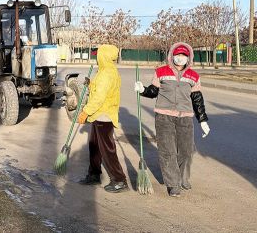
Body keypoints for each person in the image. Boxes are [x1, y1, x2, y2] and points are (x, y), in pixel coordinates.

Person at [135, 42, 209, 197]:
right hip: (164, 117)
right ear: (172, 56)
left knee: (187, 151)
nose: (180, 58)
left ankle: (182, 178)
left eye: (183, 55)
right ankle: (173, 184)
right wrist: (143, 90)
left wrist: (202, 120)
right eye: (177, 55)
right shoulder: (161, 71)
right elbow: (153, 91)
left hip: (185, 118)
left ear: (188, 58)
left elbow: (197, 99)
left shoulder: (193, 76)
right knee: (167, 151)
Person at [77, 44, 128, 193]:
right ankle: (94, 174)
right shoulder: (105, 71)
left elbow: (99, 98)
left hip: (104, 116)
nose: (96, 56)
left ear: (103, 55)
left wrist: (85, 112)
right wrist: (90, 83)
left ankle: (119, 180)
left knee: (107, 149)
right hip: (98, 115)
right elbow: (98, 89)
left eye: (98, 53)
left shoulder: (107, 74)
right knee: (95, 146)